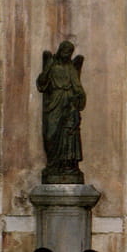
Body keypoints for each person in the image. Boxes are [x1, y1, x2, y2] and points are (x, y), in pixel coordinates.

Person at [36, 41, 85, 176]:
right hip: (54, 102)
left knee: (68, 134)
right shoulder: (51, 64)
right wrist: (47, 67)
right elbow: (41, 83)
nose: (67, 54)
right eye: (65, 51)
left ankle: (65, 165)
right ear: (60, 50)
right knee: (50, 134)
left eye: (69, 52)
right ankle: (52, 165)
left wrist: (78, 98)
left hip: (68, 102)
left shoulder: (71, 68)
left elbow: (77, 86)